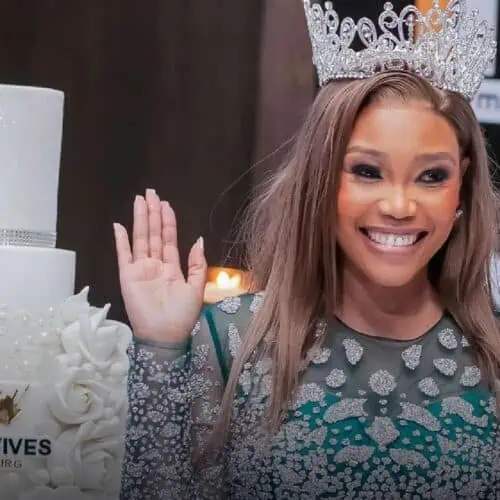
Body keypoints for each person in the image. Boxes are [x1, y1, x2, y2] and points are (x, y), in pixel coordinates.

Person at [116, 1, 500, 497]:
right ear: (321, 178)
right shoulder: (236, 338)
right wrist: (161, 348)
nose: (399, 206)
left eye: (431, 177)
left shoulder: (492, 355)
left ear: (461, 187)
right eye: (367, 171)